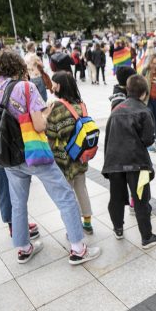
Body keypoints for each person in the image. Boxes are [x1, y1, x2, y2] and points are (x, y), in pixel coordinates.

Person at [0, 50, 100, 265]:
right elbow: (39, 125)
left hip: (7, 156)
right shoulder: (26, 88)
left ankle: (24, 248)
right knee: (65, 196)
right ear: (17, 66)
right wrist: (46, 113)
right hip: (33, 153)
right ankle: (78, 248)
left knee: (18, 203)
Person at [102, 74, 156, 248]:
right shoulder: (144, 110)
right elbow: (148, 140)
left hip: (114, 163)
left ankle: (118, 228)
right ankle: (146, 237)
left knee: (116, 198)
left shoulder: (115, 110)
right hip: (137, 163)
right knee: (141, 199)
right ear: (144, 93)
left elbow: (108, 139)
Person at [46, 71, 94, 235]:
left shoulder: (57, 107)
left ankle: (73, 228)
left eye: (53, 83)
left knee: (67, 193)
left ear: (59, 86)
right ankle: (87, 222)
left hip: (64, 158)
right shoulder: (81, 104)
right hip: (81, 155)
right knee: (82, 187)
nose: (51, 87)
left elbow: (51, 135)